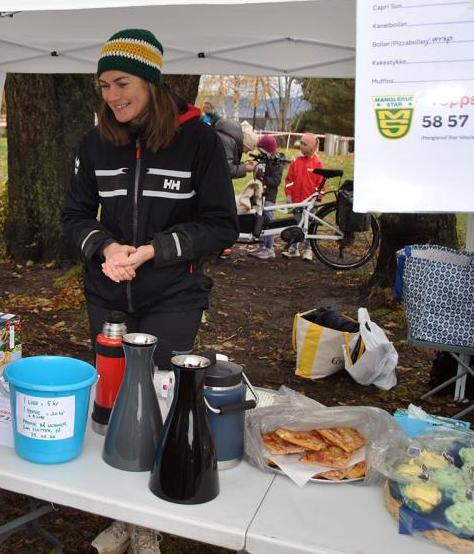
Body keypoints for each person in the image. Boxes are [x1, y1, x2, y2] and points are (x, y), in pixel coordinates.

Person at [63, 28, 238, 554]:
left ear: (151, 81)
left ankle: (148, 524)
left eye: (122, 83)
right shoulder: (95, 140)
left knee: (160, 402)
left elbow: (221, 225)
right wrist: (106, 247)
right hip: (107, 294)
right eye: (104, 86)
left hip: (172, 297)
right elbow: (73, 215)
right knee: (113, 404)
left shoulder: (199, 140)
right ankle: (121, 515)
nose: (112, 96)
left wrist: (156, 250)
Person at [282, 132, 323, 261]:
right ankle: (294, 248)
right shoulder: (296, 161)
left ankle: (308, 249)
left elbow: (321, 182)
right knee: (296, 224)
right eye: (301, 143)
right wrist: (288, 194)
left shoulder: (317, 163)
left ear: (311, 147)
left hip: (310, 201)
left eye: (304, 144)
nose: (301, 146)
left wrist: (318, 198)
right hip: (297, 200)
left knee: (309, 225)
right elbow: (289, 179)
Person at [247, 134, 284, 260]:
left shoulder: (276, 163)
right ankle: (262, 245)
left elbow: (276, 181)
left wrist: (264, 178)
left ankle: (270, 248)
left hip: (269, 197)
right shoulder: (264, 161)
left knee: (269, 220)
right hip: (260, 195)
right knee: (260, 220)